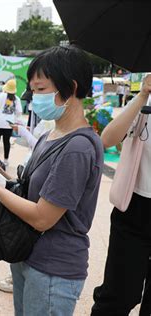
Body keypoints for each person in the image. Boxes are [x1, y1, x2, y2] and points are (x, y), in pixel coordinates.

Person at [0, 46, 104, 315]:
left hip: (53, 270)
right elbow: (30, 190)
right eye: (33, 89)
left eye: (41, 89)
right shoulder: (50, 135)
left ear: (72, 87)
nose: (34, 97)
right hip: (28, 256)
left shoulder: (77, 147)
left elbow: (43, 217)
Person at [92, 74, 151, 316]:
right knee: (119, 295)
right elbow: (107, 138)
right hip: (135, 208)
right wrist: (143, 95)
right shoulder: (145, 104)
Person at [0, 79, 22, 166]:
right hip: (9, 125)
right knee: (6, 142)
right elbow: (19, 112)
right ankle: (6, 160)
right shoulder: (17, 99)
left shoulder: (2, 96)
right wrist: (14, 118)